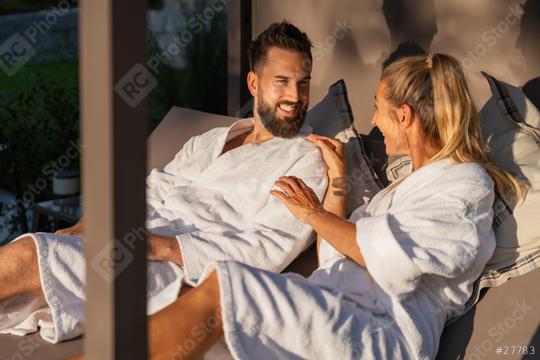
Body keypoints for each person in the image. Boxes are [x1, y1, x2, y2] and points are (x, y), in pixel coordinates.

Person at [146, 54, 526, 359]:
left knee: (225, 287)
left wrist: (313, 213)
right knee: (185, 300)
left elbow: (389, 260)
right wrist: (339, 179)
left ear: (405, 116)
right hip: (336, 310)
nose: (374, 121)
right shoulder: (401, 190)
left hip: (381, 334)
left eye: (378, 108)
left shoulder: (466, 184)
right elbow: (338, 253)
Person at [0, 21, 328, 343]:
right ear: (254, 83)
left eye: (304, 82)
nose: (295, 96)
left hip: (178, 272)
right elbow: (153, 189)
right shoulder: (210, 141)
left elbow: (266, 248)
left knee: (27, 257)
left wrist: (159, 246)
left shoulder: (305, 158)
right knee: (23, 267)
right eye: (282, 81)